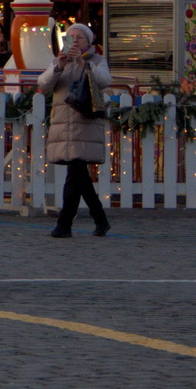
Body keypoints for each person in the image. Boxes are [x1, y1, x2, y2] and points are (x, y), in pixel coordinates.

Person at [38, 23, 113, 238]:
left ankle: (64, 224)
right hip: (63, 123)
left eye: (80, 37)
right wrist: (58, 67)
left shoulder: (97, 61)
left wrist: (81, 62)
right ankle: (99, 219)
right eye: (71, 37)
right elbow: (43, 85)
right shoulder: (58, 61)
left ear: (88, 42)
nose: (75, 40)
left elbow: (104, 81)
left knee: (75, 172)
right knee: (78, 174)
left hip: (85, 123)